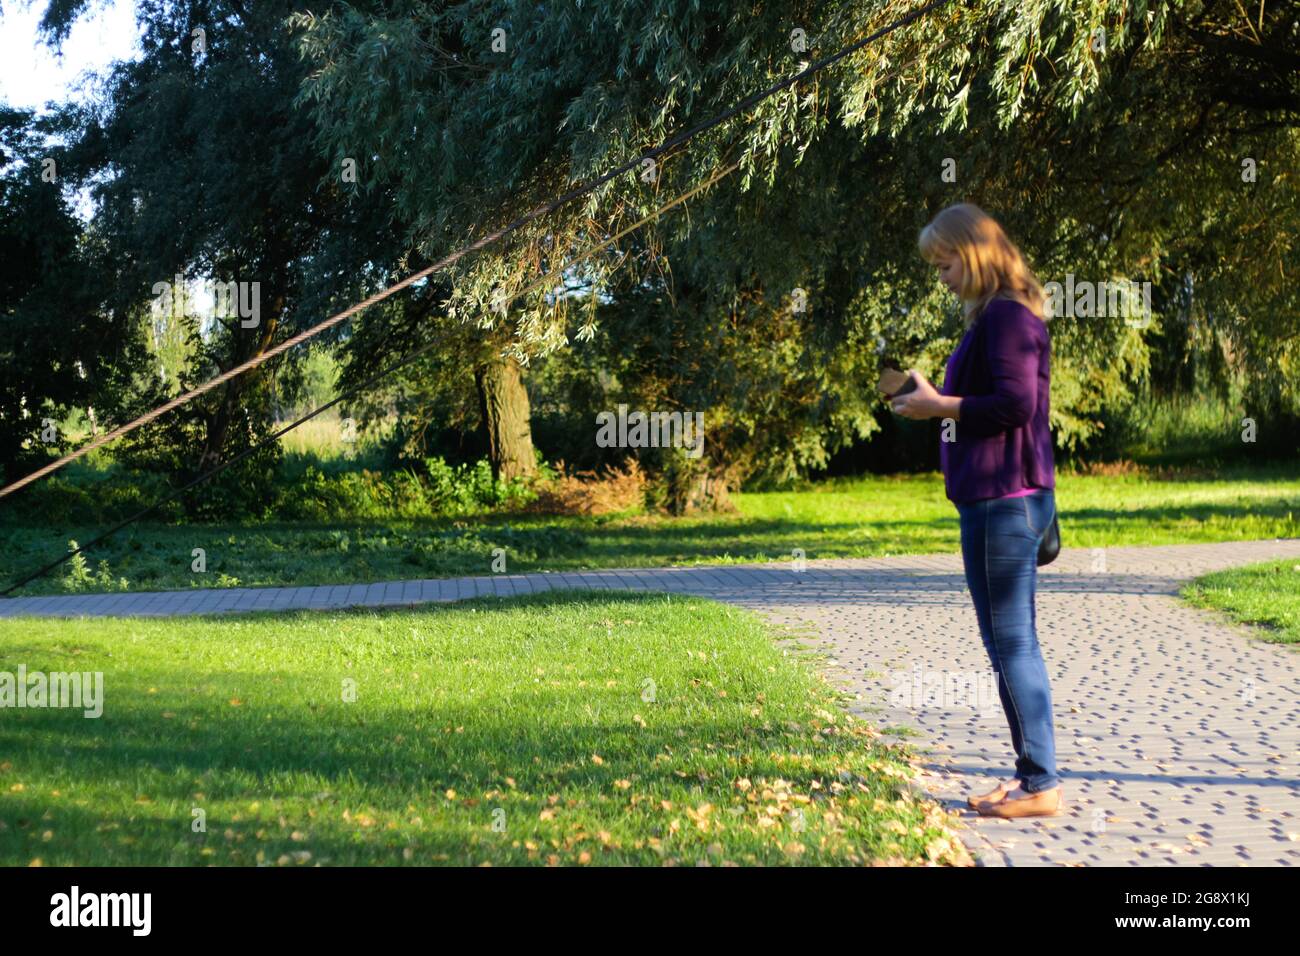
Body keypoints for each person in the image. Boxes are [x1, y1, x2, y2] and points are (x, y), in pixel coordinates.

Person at [889, 202, 1063, 818]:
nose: (940, 276)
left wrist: (940, 407)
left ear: (976, 252)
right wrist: (934, 401)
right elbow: (1015, 406)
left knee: (1013, 644)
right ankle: (1030, 777)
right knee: (1011, 642)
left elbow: (1014, 406)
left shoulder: (1007, 318)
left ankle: (1040, 784)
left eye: (945, 263)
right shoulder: (1003, 316)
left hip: (1001, 501)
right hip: (1010, 496)